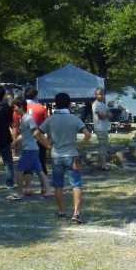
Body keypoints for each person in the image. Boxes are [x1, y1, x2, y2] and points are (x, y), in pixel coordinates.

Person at [39, 92, 91, 223]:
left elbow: (37, 133)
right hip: (72, 155)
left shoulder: (50, 119)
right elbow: (87, 134)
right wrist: (79, 146)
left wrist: (47, 145)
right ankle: (76, 212)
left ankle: (61, 210)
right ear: (69, 104)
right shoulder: (74, 118)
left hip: (56, 155)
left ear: (55, 104)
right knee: (76, 184)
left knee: (58, 185)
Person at [7, 98, 51, 200]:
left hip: (29, 149)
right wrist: (14, 142)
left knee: (19, 171)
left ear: (21, 107)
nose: (14, 109)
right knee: (40, 171)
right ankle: (48, 191)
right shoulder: (23, 118)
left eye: (15, 107)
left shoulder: (28, 119)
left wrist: (47, 145)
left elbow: (36, 133)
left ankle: (19, 193)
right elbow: (24, 134)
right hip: (32, 149)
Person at [91, 88, 111, 170]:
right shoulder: (95, 104)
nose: (102, 96)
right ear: (96, 95)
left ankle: (101, 163)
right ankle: (103, 165)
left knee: (104, 145)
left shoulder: (103, 104)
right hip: (100, 128)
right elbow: (101, 116)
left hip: (104, 127)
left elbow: (110, 115)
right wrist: (106, 114)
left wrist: (106, 114)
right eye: (100, 94)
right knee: (103, 146)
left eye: (103, 94)